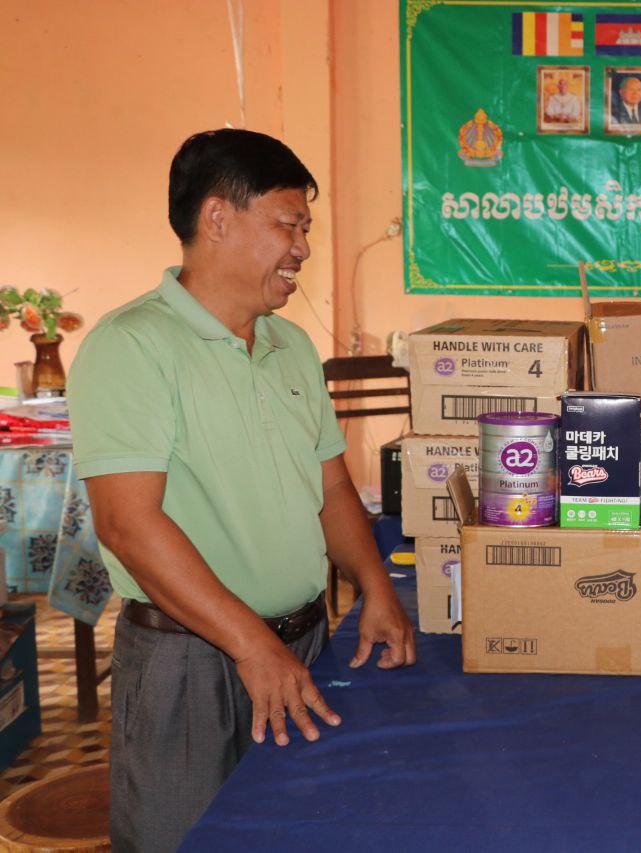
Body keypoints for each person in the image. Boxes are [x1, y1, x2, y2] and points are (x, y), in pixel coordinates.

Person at [67, 129, 417, 852]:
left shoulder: (291, 346)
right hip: (189, 660)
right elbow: (128, 523)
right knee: (183, 837)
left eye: (306, 229)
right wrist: (252, 646)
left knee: (304, 834)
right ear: (218, 218)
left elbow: (330, 484)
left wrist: (376, 587)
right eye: (289, 225)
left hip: (304, 642)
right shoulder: (131, 346)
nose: (303, 248)